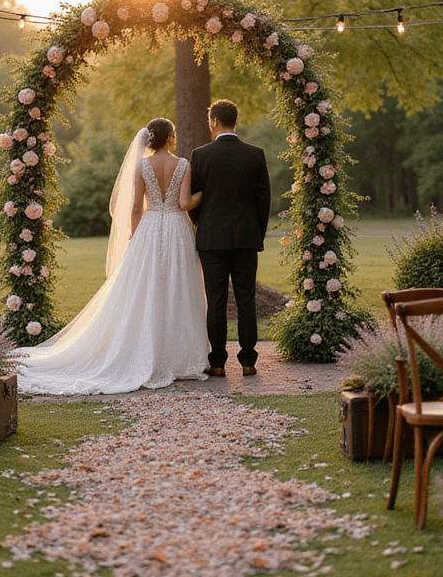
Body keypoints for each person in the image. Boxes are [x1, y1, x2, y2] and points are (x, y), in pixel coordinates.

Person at [15, 118, 208, 395]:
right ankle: (180, 358)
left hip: (150, 227)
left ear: (151, 139)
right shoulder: (183, 165)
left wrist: (134, 237)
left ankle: (145, 349)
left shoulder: (142, 166)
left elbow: (135, 209)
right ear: (171, 137)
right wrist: (205, 193)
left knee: (147, 288)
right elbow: (185, 203)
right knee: (179, 287)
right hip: (178, 228)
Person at [183, 99, 271, 377]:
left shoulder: (200, 155)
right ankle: (248, 361)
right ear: (236, 120)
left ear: (214, 121)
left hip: (211, 239)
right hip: (246, 237)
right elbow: (263, 200)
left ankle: (218, 361)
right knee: (247, 299)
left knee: (216, 300)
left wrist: (203, 224)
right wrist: (256, 232)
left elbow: (194, 200)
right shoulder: (255, 154)